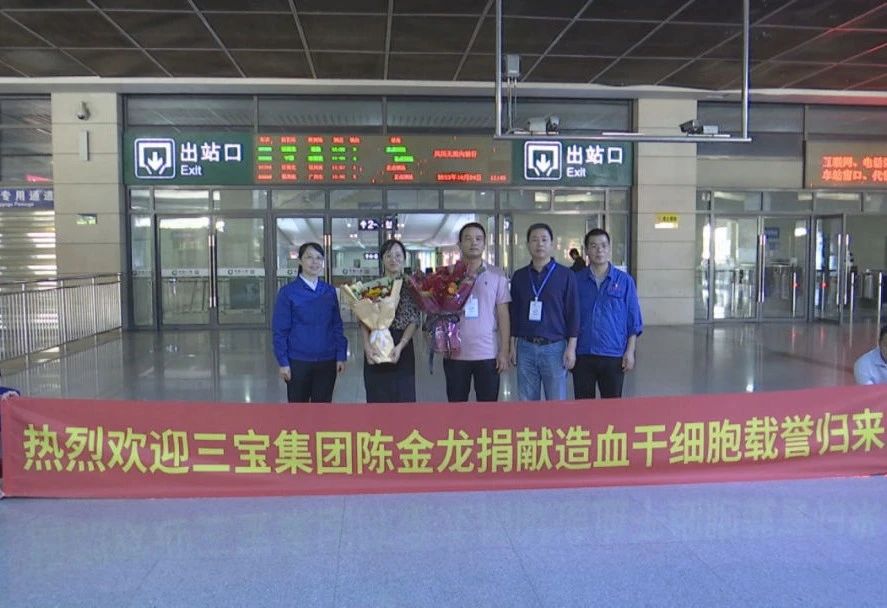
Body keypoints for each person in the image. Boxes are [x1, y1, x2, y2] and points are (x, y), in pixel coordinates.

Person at [510, 223, 579, 401]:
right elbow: (514, 313)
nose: (539, 244)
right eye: (534, 240)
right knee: (527, 402)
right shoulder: (519, 276)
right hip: (525, 347)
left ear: (552, 244)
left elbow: (573, 313)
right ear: (527, 245)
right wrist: (512, 346)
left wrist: (571, 348)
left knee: (556, 403)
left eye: (544, 239)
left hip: (554, 348)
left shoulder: (566, 275)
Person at [442, 222, 511, 402]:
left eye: (478, 239)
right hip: (455, 353)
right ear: (459, 244)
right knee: (456, 408)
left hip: (487, 353)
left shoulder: (497, 275)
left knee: (487, 410)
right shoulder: (448, 275)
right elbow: (438, 312)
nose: (473, 243)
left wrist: (504, 351)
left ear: (484, 244)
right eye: (468, 239)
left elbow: (503, 315)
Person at [272, 242, 347, 403]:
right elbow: (280, 330)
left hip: (327, 360)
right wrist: (283, 362)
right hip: (298, 361)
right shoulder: (288, 292)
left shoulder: (329, 291)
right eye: (309, 257)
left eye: (319, 258)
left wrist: (341, 355)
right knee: (298, 411)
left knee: (323, 409)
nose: (315, 262)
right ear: (300, 261)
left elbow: (336, 325)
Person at [573, 228, 643, 399]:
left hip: (613, 354)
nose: (599, 250)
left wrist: (630, 351)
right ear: (586, 250)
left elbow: (633, 319)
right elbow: (570, 317)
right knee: (583, 407)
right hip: (583, 353)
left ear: (610, 249)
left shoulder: (624, 281)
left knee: (612, 408)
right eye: (594, 246)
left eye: (603, 246)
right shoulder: (576, 280)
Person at [362, 239, 421, 402]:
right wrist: (366, 346)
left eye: (398, 255)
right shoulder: (373, 287)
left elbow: (414, 319)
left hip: (402, 344)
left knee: (403, 398)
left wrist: (401, 345)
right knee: (377, 396)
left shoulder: (411, 286)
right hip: (376, 342)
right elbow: (363, 319)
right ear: (382, 259)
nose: (393, 259)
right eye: (388, 255)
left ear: (404, 259)